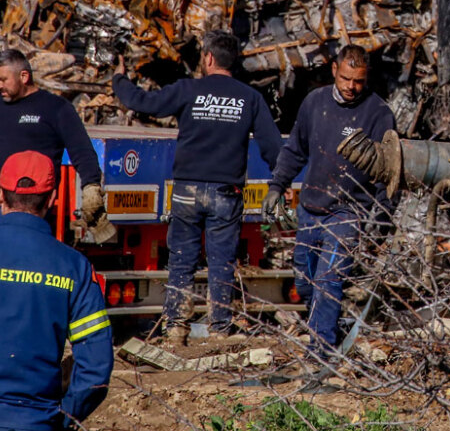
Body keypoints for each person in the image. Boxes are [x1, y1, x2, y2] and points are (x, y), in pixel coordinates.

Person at [112, 31, 284, 341]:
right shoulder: (250, 98)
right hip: (226, 193)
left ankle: (176, 328)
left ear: (208, 58)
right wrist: (280, 184)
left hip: (187, 191)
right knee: (221, 262)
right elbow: (273, 148)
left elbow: (142, 102)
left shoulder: (189, 90)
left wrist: (119, 79)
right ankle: (219, 330)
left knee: (181, 258)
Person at [262, 45, 395, 356]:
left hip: (348, 212)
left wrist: (382, 217)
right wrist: (276, 186)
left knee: (328, 280)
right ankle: (329, 328)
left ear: (367, 78)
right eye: (347, 78)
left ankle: (320, 352)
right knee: (306, 283)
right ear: (335, 70)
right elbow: (295, 150)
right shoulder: (315, 103)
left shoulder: (378, 113)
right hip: (311, 208)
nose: (351, 87)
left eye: (359, 81)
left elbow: (389, 173)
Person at [0, 150, 112, 431]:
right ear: (52, 199)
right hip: (36, 420)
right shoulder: (74, 267)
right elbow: (96, 367)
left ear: (1, 196)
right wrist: (65, 417)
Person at [0, 49, 104, 230]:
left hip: (34, 205)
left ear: (24, 76)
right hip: (3, 199)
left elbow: (81, 150)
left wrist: (91, 186)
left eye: (3, 80)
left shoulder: (55, 108)